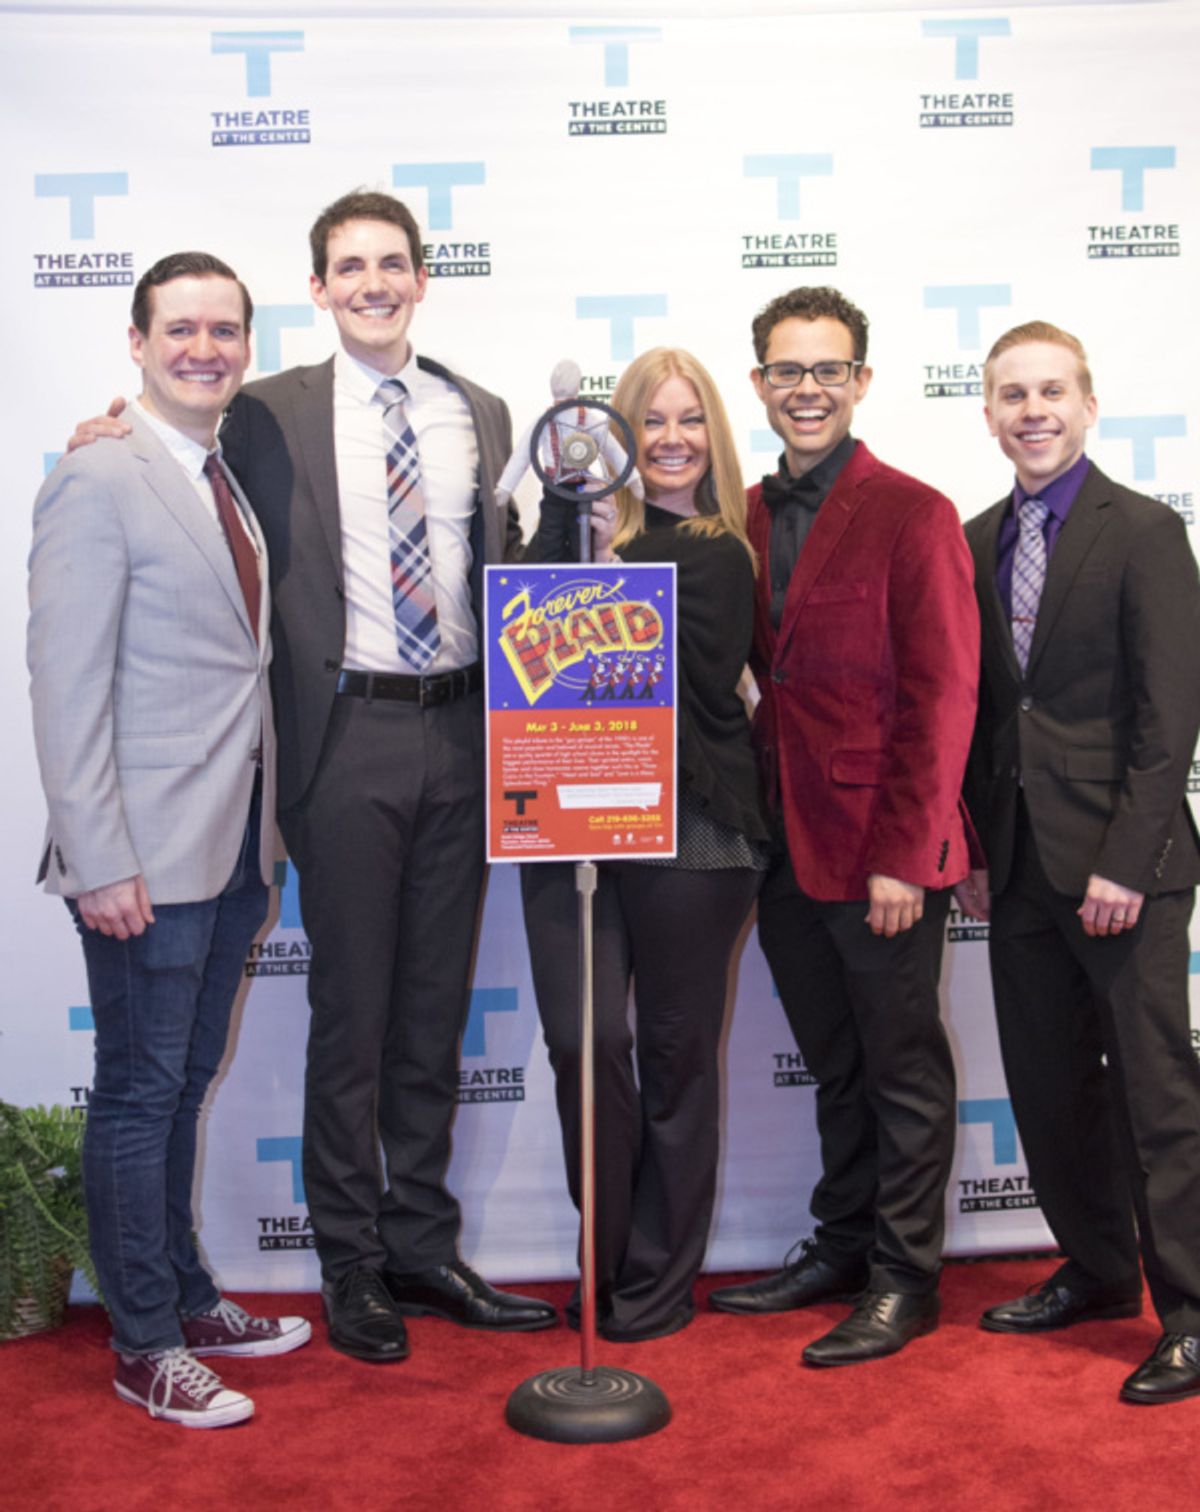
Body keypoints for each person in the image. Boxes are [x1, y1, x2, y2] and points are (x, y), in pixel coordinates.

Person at [71, 191, 554, 1363]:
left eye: (393, 262)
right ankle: (350, 1260)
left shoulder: (477, 410)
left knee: (433, 1012)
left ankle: (422, 1245)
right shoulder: (264, 412)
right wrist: (106, 429)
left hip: (463, 733)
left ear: (422, 278)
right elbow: (167, 453)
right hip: (339, 740)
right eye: (350, 267)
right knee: (353, 1011)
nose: (373, 282)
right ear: (322, 287)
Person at [28, 252, 309, 1428]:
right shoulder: (101, 476)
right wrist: (99, 858)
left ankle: (187, 1294)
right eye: (181, 330)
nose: (206, 349)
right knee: (139, 1097)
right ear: (136, 342)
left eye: (225, 330)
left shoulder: (219, 472)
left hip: (235, 843)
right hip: (140, 855)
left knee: (183, 1085)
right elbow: (62, 679)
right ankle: (143, 1341)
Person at [709, 287, 980, 1367]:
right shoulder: (745, 512)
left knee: (903, 1067)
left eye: (828, 370)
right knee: (835, 1063)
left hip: (882, 854)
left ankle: (906, 1277)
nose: (807, 389)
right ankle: (843, 1243)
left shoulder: (915, 513)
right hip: (778, 845)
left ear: (862, 382)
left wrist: (907, 858)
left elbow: (944, 697)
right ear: (761, 383)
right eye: (788, 370)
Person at [955, 321, 1200, 1405]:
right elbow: (978, 716)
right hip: (1013, 871)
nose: (1032, 411)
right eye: (1012, 394)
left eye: (1051, 391)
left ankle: (1190, 1313)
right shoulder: (972, 540)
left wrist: (1128, 863)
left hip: (1125, 870)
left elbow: (1169, 720)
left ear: (1089, 405)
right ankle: (1101, 1274)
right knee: (1050, 1095)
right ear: (990, 411)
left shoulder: (1144, 531)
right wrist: (963, 842)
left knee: (1157, 1100)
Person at [521, 348, 771, 1341]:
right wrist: (563, 509)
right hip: (567, 821)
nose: (671, 439)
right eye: (648, 420)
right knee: (587, 1044)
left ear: (713, 434)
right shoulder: (575, 531)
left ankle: (657, 1285)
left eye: (689, 419)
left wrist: (610, 584)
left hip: (694, 827)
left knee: (676, 1055)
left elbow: (697, 669)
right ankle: (609, 1257)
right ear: (613, 436)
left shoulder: (718, 548)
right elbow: (521, 623)